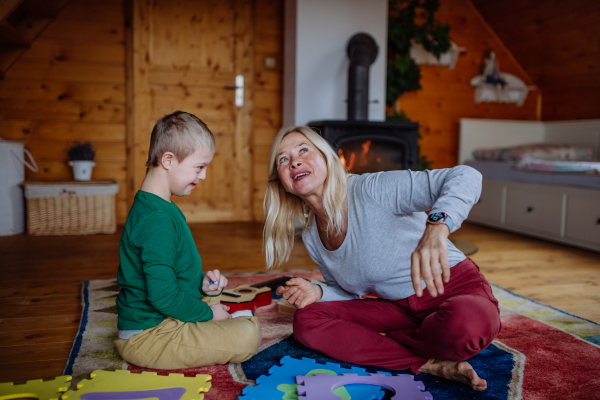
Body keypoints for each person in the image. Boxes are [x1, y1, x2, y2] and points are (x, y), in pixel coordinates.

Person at [264, 126, 501, 391]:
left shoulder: (372, 189)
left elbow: (467, 175)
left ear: (327, 157)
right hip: (398, 309)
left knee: (467, 324)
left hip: (454, 290)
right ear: (282, 181)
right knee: (306, 322)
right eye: (283, 159)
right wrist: (318, 291)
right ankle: (426, 363)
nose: (294, 161)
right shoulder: (311, 235)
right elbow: (348, 294)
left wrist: (437, 227)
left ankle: (393, 342)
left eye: (304, 150)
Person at [114, 111, 261, 369]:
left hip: (165, 320)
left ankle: (209, 307)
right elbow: (163, 297)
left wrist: (203, 285)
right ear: (168, 160)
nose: (203, 176)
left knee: (217, 303)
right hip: (151, 336)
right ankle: (214, 316)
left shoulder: (159, 207)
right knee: (249, 334)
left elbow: (173, 270)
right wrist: (208, 313)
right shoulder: (156, 220)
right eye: (199, 167)